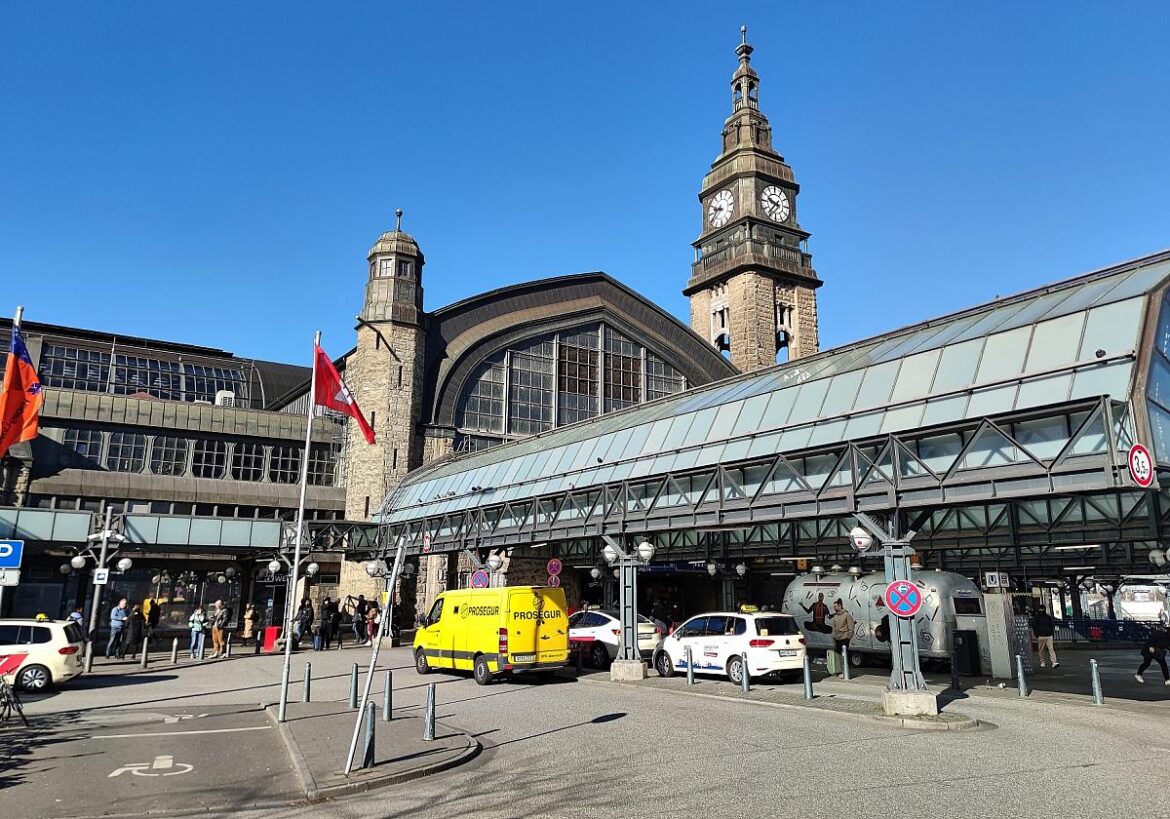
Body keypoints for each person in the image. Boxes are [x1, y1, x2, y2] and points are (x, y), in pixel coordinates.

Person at [830, 599, 855, 677]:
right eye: (834, 606)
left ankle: (846, 672)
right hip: (836, 638)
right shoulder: (835, 616)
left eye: (836, 606)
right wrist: (833, 637)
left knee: (844, 655)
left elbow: (851, 627)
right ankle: (840, 671)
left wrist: (848, 637)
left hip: (844, 638)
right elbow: (834, 627)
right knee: (838, 656)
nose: (835, 607)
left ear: (840, 605)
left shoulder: (846, 615)